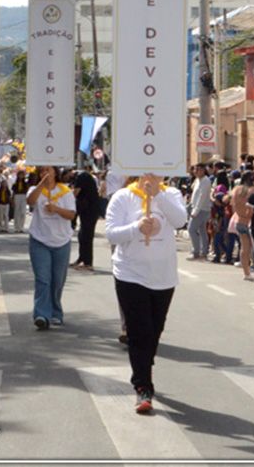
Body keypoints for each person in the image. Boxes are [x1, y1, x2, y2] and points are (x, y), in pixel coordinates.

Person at [105, 174, 187, 414]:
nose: (151, 174)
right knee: (139, 331)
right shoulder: (123, 197)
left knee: (154, 330)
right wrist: (136, 228)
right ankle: (142, 386)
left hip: (163, 276)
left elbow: (180, 221)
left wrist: (157, 194)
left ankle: (144, 363)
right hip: (130, 274)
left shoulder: (171, 194)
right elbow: (111, 234)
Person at [27, 167, 77, 329]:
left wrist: (56, 209)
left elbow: (71, 215)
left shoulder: (65, 192)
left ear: (55, 172)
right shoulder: (35, 189)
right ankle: (41, 314)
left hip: (61, 242)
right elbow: (30, 201)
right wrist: (42, 184)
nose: (45, 173)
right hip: (39, 240)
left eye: (48, 170)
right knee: (43, 279)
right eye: (42, 171)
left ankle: (56, 312)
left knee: (57, 280)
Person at [229, 171, 254, 281]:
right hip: (252, 221)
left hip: (239, 220)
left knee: (244, 248)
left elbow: (232, 205)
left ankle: (246, 273)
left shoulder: (236, 190)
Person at [71, 169, 101, 270]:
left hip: (90, 209)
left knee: (87, 235)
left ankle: (88, 263)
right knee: (82, 235)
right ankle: (82, 258)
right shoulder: (84, 176)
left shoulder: (81, 177)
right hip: (88, 209)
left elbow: (75, 193)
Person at [187, 164, 213, 261]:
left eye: (198, 169)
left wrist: (195, 211)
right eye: (195, 169)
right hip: (196, 208)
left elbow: (202, 197)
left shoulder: (205, 181)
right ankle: (203, 252)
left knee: (191, 229)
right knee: (202, 230)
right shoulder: (198, 180)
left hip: (201, 209)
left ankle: (196, 252)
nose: (195, 171)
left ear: (203, 170)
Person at [12, 166, 30, 233]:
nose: (21, 176)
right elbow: (13, 192)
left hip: (23, 196)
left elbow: (27, 191)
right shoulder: (15, 183)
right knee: (17, 212)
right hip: (17, 196)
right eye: (20, 175)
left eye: (22, 175)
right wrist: (13, 199)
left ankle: (21, 227)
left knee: (23, 212)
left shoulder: (25, 183)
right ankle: (16, 227)